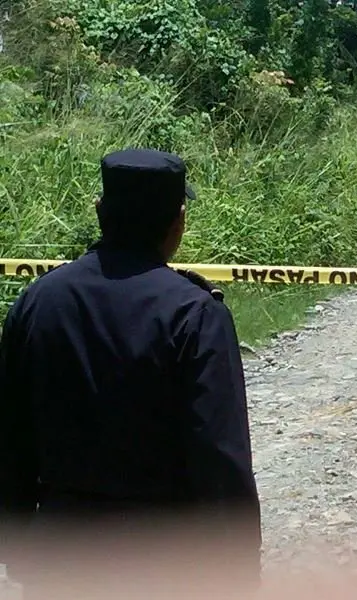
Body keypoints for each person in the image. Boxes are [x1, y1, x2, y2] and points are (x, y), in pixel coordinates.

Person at [0, 148, 262, 600]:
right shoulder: (193, 314)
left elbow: (10, 441)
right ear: (178, 221)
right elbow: (218, 456)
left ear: (100, 211)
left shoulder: (37, 302)